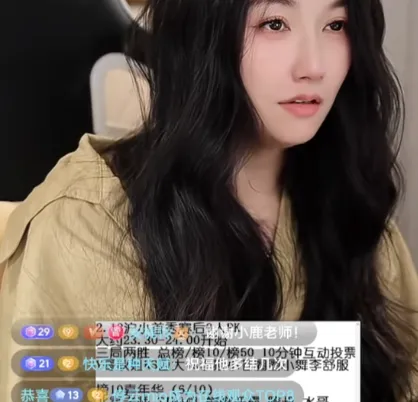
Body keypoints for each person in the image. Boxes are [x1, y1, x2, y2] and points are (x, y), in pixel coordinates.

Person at [0, 0, 417, 400]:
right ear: (202, 30)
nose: (314, 66)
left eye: (336, 25)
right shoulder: (85, 223)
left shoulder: (350, 204)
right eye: (274, 24)